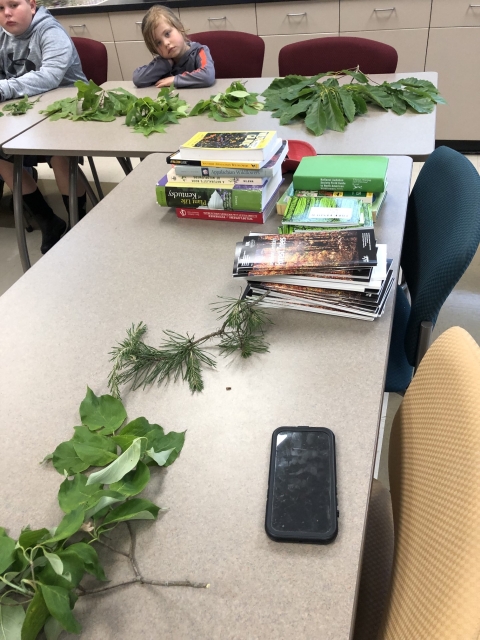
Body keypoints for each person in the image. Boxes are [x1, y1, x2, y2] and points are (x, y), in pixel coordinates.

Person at [0, 0, 88, 253]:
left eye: (14, 4)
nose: (7, 13)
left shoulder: (50, 32)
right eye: (0, 8)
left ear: (31, 4)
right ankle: (48, 221)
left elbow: (49, 76)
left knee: (59, 153)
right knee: (1, 154)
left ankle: (78, 221)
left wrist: (4, 88)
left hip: (66, 111)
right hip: (23, 113)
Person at [133, 6, 215, 90]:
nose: (165, 43)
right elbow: (138, 79)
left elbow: (207, 75)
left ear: (179, 27)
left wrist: (175, 80)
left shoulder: (199, 51)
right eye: (158, 43)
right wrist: (165, 65)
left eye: (167, 34)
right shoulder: (163, 61)